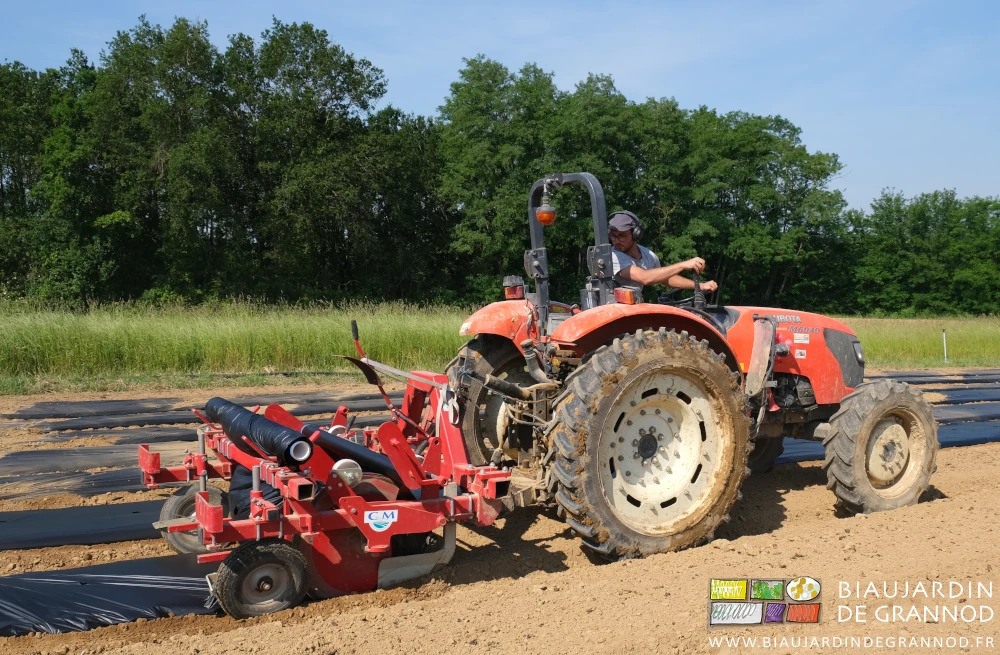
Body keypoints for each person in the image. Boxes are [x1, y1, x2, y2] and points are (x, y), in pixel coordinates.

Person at [608, 210, 719, 295]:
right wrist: (683, 265)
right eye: (613, 236)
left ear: (636, 234)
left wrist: (699, 285)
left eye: (622, 236)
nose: (616, 241)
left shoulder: (649, 256)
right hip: (609, 310)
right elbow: (645, 278)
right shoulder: (612, 257)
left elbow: (665, 278)